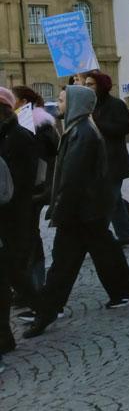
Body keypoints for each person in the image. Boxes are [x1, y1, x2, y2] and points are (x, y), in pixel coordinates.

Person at [23, 86, 129, 338]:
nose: (60, 104)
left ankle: (47, 311)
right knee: (95, 253)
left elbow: (72, 179)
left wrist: (59, 209)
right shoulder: (77, 130)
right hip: (86, 210)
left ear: (75, 103)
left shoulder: (82, 133)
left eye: (64, 99)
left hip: (81, 210)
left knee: (66, 262)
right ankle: (125, 291)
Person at [7, 87, 57, 307]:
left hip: (34, 190)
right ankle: (27, 287)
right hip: (23, 192)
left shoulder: (37, 124)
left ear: (23, 101)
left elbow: (43, 157)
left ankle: (35, 287)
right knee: (23, 238)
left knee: (29, 238)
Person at [83, 72, 129, 246]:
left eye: (91, 84)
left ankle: (101, 238)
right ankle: (127, 234)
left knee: (108, 201)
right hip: (96, 162)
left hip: (114, 161)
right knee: (114, 201)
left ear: (100, 85)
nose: (87, 87)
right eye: (86, 84)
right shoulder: (89, 105)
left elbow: (124, 128)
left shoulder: (116, 104)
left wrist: (97, 123)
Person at [0, 87, 37, 345]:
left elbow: (17, 182)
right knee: (11, 269)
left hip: (13, 212)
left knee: (12, 267)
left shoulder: (18, 136)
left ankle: (40, 306)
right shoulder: (7, 134)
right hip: (9, 212)